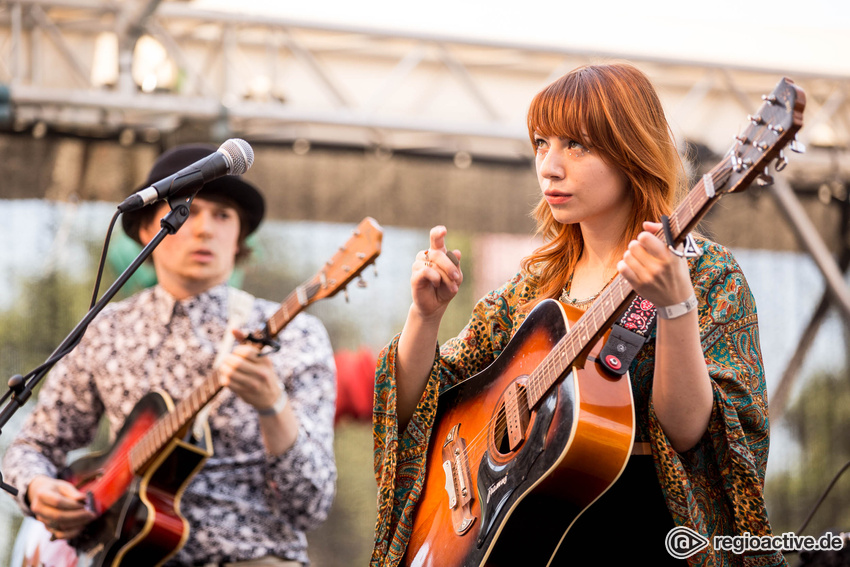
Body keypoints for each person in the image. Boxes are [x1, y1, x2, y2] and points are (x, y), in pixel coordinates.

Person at [371, 63, 784, 566]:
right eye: (542, 143)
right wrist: (424, 317)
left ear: (632, 150)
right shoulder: (532, 289)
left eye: (577, 145)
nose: (549, 165)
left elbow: (694, 435)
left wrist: (676, 307)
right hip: (518, 541)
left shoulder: (707, 274)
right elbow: (424, 406)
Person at [3, 144, 337, 566]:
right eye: (189, 211)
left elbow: (310, 506)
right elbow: (32, 444)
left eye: (222, 215)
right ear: (147, 229)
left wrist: (273, 406)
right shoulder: (106, 330)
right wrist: (35, 488)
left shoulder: (295, 333)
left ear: (239, 238)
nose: (204, 229)